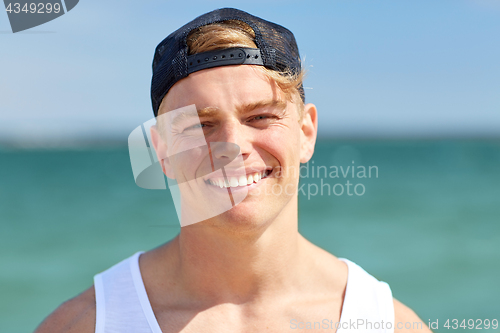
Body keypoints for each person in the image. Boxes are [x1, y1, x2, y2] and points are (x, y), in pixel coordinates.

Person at [35, 8, 432, 333]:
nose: (233, 147)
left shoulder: (384, 323)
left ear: (306, 132)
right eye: (200, 125)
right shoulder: (88, 323)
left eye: (260, 116)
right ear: (161, 151)